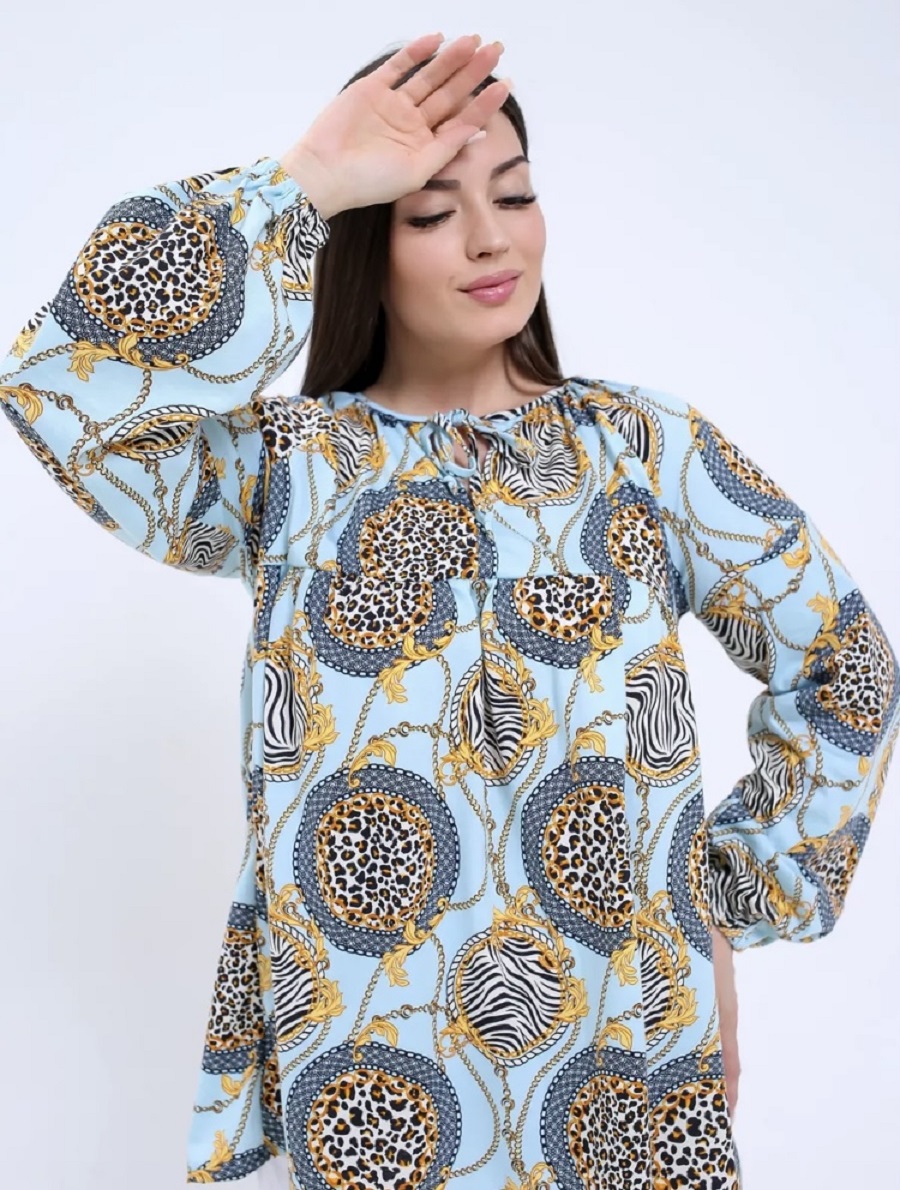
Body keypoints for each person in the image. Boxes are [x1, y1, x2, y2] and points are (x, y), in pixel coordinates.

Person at [1, 30, 897, 1190]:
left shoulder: (644, 450)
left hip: (626, 1061)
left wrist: (723, 903)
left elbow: (847, 664)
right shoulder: (287, 470)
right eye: (432, 211)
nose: (492, 238)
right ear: (364, 243)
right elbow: (63, 390)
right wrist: (302, 183)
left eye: (515, 195)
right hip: (369, 1082)